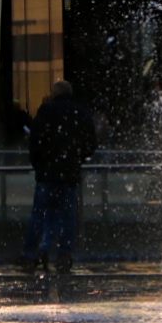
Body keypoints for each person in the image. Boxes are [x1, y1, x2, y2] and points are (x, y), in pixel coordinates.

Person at [20, 80, 98, 273]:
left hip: (47, 172)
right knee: (68, 216)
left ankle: (31, 255)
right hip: (69, 172)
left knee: (39, 214)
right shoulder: (79, 112)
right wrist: (78, 158)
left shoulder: (46, 111)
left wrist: (39, 163)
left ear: (54, 93)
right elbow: (91, 142)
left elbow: (36, 140)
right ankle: (64, 255)